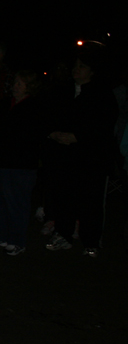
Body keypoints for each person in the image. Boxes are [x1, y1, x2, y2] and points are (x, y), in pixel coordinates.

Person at [43, 48, 118, 257]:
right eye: (75, 66)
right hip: (65, 156)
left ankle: (91, 240)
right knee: (64, 196)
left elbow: (103, 126)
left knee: (90, 201)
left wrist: (79, 137)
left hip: (90, 158)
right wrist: (53, 133)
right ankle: (63, 234)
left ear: (92, 71)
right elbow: (49, 116)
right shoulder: (63, 91)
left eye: (82, 66)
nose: (76, 70)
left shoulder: (102, 94)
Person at [0, 70, 43, 255]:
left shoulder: (33, 107)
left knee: (16, 203)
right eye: (15, 83)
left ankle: (17, 240)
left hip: (20, 165)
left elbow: (26, 136)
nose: (15, 87)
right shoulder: (5, 103)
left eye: (20, 84)